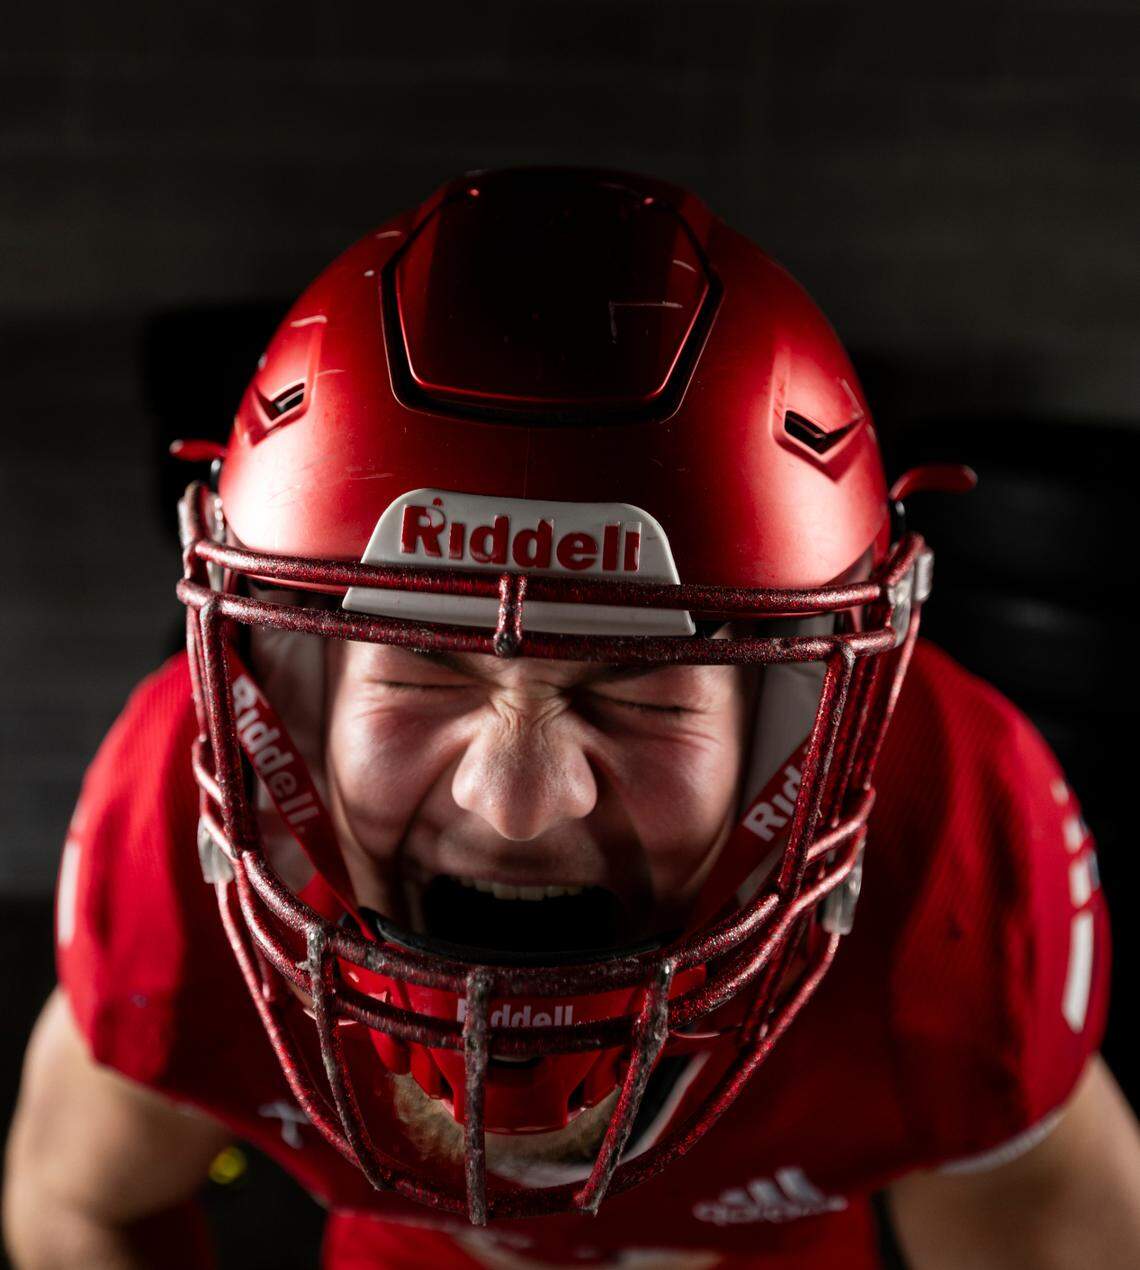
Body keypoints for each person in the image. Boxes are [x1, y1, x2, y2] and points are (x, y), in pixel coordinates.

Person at [5, 168, 1140, 1269]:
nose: (513, 805)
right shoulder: (188, 812)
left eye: (641, 685)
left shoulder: (949, 858)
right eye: (418, 668)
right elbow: (79, 1205)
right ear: (292, 706)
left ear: (788, 738)